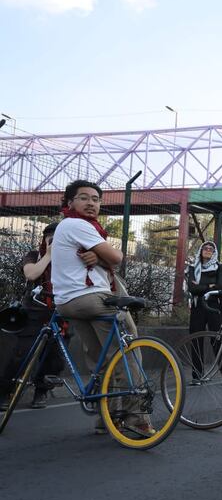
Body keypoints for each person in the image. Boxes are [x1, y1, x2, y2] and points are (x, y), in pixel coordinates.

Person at [51, 180, 154, 437]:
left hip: (67, 303)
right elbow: (117, 258)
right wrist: (105, 256)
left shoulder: (69, 227)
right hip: (92, 299)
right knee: (128, 353)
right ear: (69, 202)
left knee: (99, 358)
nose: (91, 203)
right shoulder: (78, 225)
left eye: (96, 199)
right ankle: (136, 418)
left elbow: (106, 258)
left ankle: (105, 418)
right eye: (84, 198)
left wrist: (99, 257)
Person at [0, 223, 62, 410]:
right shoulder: (34, 256)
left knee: (54, 356)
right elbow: (32, 273)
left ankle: (41, 391)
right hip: (33, 312)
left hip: (61, 312)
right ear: (43, 239)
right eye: (51, 238)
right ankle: (5, 391)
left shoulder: (71, 258)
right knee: (20, 354)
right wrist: (49, 255)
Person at [186, 241, 222, 385]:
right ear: (200, 251)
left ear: (214, 253)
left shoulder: (219, 267)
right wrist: (210, 286)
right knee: (196, 340)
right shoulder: (193, 267)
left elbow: (220, 285)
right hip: (197, 307)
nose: (208, 250)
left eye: (211, 249)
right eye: (205, 248)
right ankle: (197, 376)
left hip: (214, 306)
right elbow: (191, 289)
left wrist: (201, 286)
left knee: (218, 340)